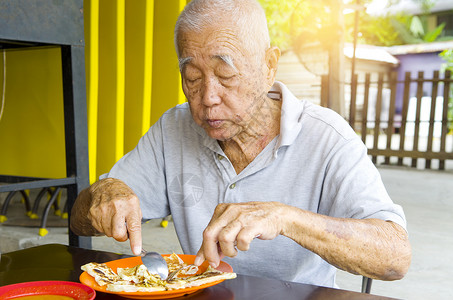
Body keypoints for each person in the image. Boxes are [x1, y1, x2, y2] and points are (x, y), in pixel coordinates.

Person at [70, 0, 411, 287]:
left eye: (226, 75)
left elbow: (395, 256)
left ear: (269, 67)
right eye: (192, 78)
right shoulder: (173, 129)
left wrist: (285, 218)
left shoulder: (326, 136)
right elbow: (78, 219)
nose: (207, 97)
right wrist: (103, 194)